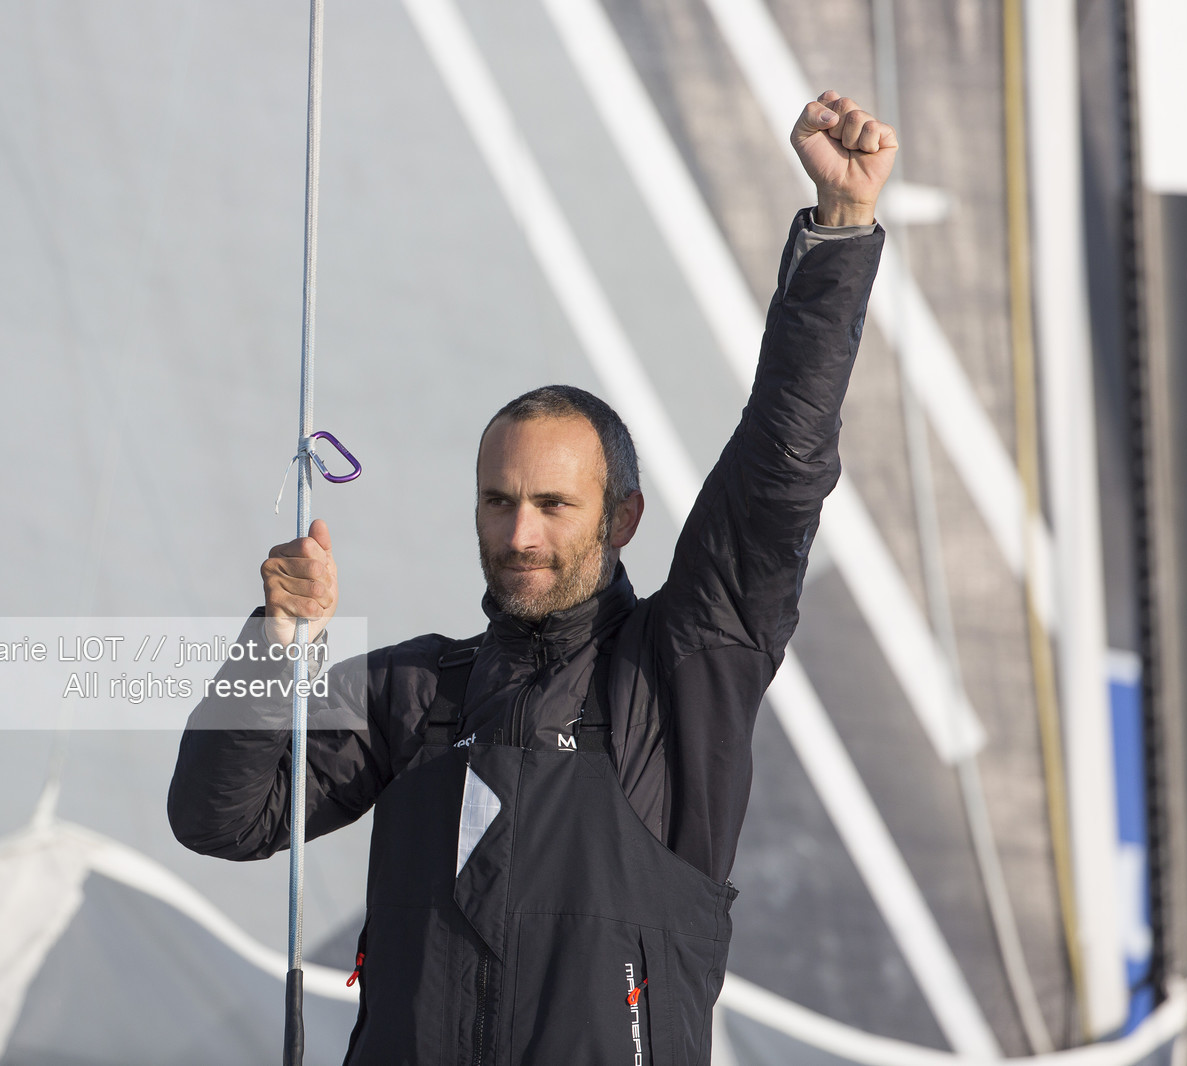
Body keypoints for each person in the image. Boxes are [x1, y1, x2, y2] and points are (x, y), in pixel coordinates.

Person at [169, 90, 896, 1065]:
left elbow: (779, 471)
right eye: (496, 501)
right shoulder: (414, 693)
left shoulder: (679, 675)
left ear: (620, 518)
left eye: (552, 505)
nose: (518, 532)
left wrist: (839, 233)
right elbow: (221, 819)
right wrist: (278, 639)